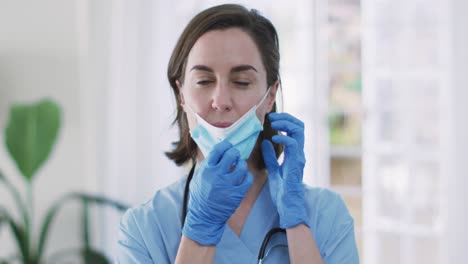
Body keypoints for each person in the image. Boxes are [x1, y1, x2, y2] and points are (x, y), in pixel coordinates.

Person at [117, 4, 359, 264]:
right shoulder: (144, 228)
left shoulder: (326, 215)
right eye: (204, 81)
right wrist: (201, 229)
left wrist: (298, 226)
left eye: (242, 82)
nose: (220, 101)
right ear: (181, 96)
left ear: (271, 96)